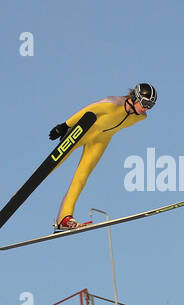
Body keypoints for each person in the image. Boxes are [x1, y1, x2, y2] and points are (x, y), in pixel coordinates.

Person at [47, 83, 157, 230]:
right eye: (145, 103)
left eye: (151, 105)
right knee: (54, 163)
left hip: (101, 141)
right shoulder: (113, 104)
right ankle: (22, 192)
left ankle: (65, 218)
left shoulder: (140, 117)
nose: (146, 108)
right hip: (83, 133)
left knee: (82, 177)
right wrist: (65, 125)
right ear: (135, 97)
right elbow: (89, 110)